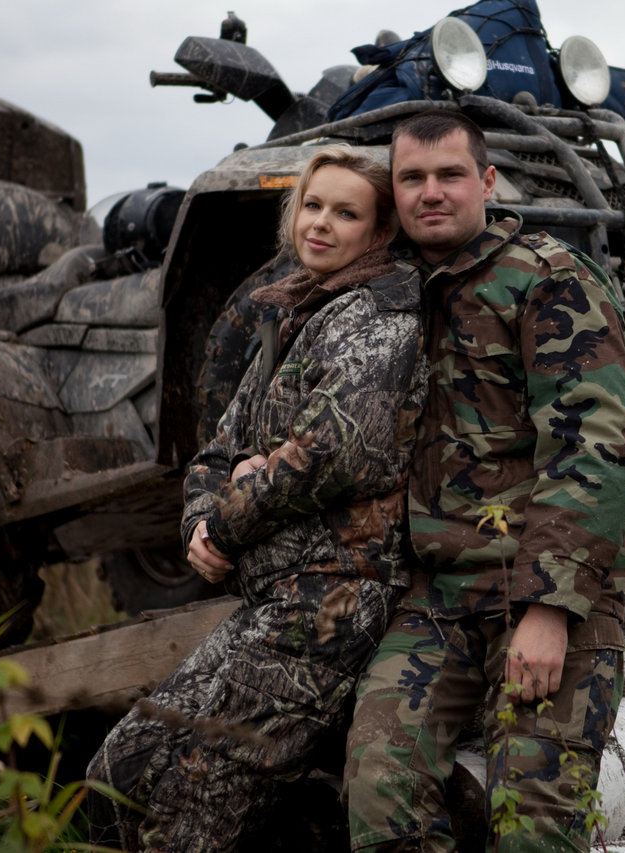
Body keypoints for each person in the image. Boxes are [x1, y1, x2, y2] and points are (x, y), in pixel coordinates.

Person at [86, 145, 428, 853]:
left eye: (346, 213)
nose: (321, 223)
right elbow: (218, 449)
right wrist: (200, 523)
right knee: (118, 771)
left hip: (330, 603)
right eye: (312, 205)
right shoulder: (292, 312)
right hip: (268, 597)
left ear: (379, 232)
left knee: (190, 812)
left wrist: (228, 522)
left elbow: (332, 453)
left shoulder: (382, 317)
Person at [342, 111, 625, 853]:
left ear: (487, 181)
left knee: (534, 828)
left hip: (540, 595)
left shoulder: (548, 279)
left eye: (450, 175)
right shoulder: (380, 295)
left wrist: (549, 607)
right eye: (412, 178)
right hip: (434, 600)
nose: (431, 192)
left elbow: (597, 447)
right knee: (379, 792)